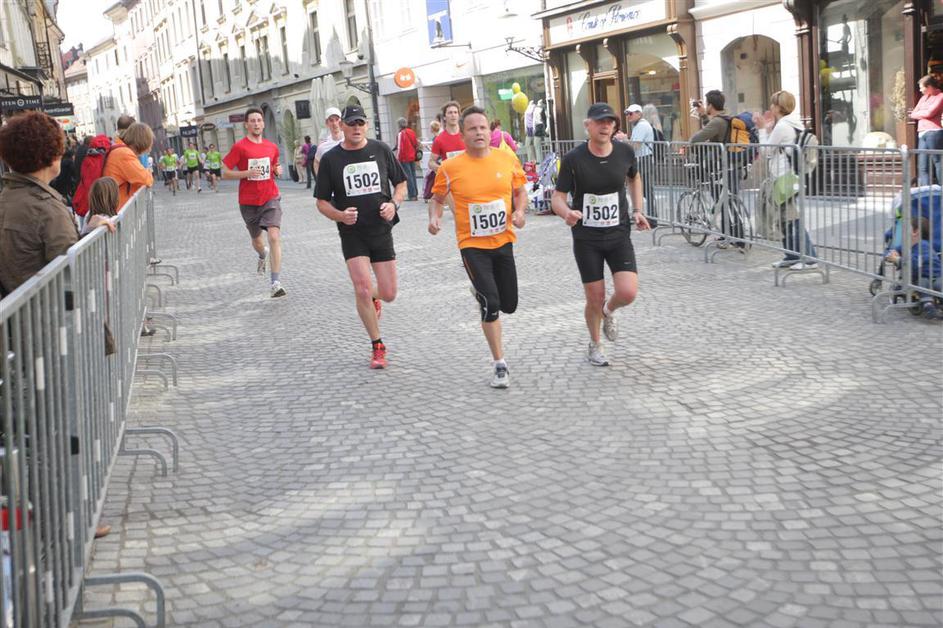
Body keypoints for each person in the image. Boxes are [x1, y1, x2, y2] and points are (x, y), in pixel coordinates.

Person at [428, 106, 527, 388]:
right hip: (471, 244)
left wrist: (520, 211)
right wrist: (435, 218)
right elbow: (436, 199)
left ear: (489, 130)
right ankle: (500, 364)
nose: (479, 133)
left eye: (483, 127)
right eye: (472, 129)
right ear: (463, 134)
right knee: (491, 303)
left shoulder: (506, 159)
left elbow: (520, 191)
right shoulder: (450, 168)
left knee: (509, 304)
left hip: (503, 241)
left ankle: (481, 291)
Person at [551, 103, 650, 367]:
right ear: (588, 125)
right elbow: (557, 198)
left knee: (628, 292)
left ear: (615, 126)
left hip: (618, 234)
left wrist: (637, 210)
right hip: (587, 239)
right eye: (600, 121)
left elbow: (634, 178)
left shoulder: (625, 152)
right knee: (594, 297)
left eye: (610, 121)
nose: (605, 126)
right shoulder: (574, 159)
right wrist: (566, 213)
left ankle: (608, 311)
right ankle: (595, 344)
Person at [316, 105, 407, 369]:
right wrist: (340, 215)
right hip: (352, 233)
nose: (356, 128)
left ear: (366, 125)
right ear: (342, 126)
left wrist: (394, 204)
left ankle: (375, 298)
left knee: (389, 293)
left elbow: (401, 184)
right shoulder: (331, 159)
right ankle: (377, 345)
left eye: (360, 123)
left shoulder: (381, 150)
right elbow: (321, 202)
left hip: (380, 230)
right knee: (362, 288)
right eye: (351, 123)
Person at [0, 111, 113, 296]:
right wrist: (90, 234)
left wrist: (87, 231)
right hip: (49, 307)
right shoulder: (47, 208)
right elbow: (74, 268)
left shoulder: (7, 197)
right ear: (51, 156)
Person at [222, 107, 286, 298]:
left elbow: (274, 165)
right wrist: (246, 173)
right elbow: (225, 172)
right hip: (248, 201)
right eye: (253, 121)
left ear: (263, 124)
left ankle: (275, 283)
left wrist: (277, 170)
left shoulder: (271, 147)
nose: (256, 124)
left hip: (270, 196)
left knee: (274, 236)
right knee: (258, 241)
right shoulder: (240, 147)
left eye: (259, 120)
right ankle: (262, 254)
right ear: (246, 125)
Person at [755, 90, 818, 271]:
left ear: (778, 107)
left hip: (784, 177)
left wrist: (761, 129)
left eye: (773, 104)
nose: (771, 106)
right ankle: (791, 255)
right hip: (791, 176)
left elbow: (766, 151)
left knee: (791, 219)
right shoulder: (794, 123)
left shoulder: (783, 126)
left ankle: (809, 258)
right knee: (785, 218)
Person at [689, 90, 744, 248]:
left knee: (724, 203)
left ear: (711, 105)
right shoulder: (727, 118)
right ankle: (734, 237)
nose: (705, 106)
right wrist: (703, 115)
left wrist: (694, 143)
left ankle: (734, 238)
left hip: (722, 169)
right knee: (730, 202)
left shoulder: (717, 122)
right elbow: (714, 131)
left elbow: (696, 138)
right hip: (735, 166)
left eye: (706, 104)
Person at [885, 217, 943, 319]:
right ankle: (929, 305)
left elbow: (914, 263)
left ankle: (929, 306)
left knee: (924, 283)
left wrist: (897, 260)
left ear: (915, 232)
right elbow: (895, 250)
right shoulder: (908, 245)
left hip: (930, 275)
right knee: (926, 283)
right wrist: (891, 254)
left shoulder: (923, 246)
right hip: (926, 275)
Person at [618, 103, 658, 227]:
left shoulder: (641, 126)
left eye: (630, 114)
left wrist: (624, 139)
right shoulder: (638, 125)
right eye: (627, 114)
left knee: (644, 189)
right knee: (642, 189)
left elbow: (635, 145)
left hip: (643, 159)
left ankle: (651, 218)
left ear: (639, 114)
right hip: (642, 159)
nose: (628, 116)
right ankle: (646, 216)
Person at [102, 122, 154, 211]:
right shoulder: (124, 154)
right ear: (143, 142)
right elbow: (146, 179)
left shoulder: (120, 150)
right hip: (116, 209)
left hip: (114, 207)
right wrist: (148, 171)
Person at [910, 75, 943, 186]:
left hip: (934, 132)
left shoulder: (940, 96)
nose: (920, 90)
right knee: (923, 166)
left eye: (921, 87)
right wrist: (923, 113)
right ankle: (926, 192)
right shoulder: (923, 98)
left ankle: (941, 190)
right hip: (921, 133)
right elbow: (913, 114)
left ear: (929, 86)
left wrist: (921, 113)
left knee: (938, 162)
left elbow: (930, 113)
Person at [429, 100, 465, 174]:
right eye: (450, 113)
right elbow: (431, 162)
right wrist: (441, 169)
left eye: (455, 112)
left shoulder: (467, 135)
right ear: (444, 117)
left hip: (468, 176)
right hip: (450, 178)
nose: (453, 115)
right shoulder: (439, 139)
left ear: (459, 116)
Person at [312, 107, 343, 178]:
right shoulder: (323, 146)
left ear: (341, 121)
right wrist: (320, 179)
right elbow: (316, 162)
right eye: (331, 120)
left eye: (337, 119)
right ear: (327, 123)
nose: (334, 123)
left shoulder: (349, 139)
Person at [395, 117, 420, 201]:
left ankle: (412, 195)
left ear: (399, 125)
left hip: (404, 157)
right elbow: (415, 143)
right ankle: (415, 194)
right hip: (412, 156)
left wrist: (397, 158)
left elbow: (399, 147)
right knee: (413, 175)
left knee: (408, 177)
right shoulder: (411, 132)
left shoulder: (400, 134)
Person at [423, 119, 442, 201]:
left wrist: (428, 147)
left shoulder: (436, 138)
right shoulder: (439, 137)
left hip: (437, 162)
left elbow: (435, 152)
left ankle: (434, 196)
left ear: (432, 128)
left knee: (435, 180)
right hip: (439, 161)